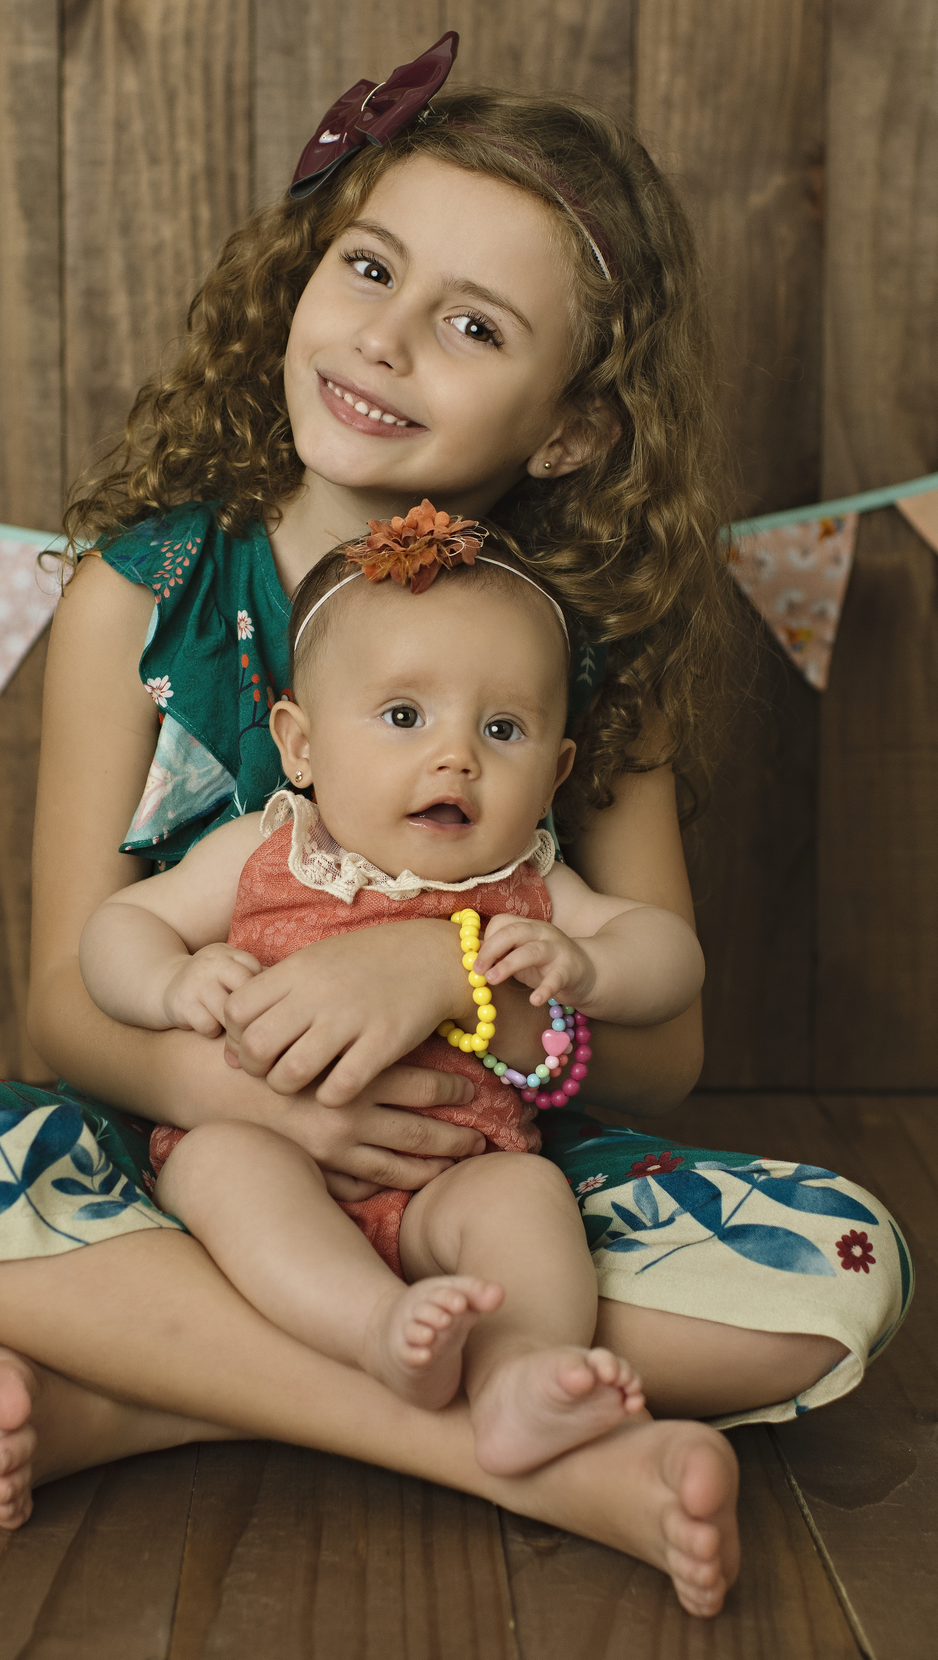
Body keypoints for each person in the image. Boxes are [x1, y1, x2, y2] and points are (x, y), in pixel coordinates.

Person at [0, 38, 911, 1619]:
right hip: (193, 1166)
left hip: (489, 1178)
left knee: (840, 1275)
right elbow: (63, 1000)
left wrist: (443, 972)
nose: (384, 339)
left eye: (470, 324)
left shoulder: (591, 648)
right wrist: (266, 1113)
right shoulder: (146, 590)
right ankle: (529, 1449)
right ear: (304, 273)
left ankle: (149, 1391)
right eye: (369, 267)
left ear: (575, 429)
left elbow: (666, 1051)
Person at [80, 523, 711, 1474]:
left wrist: (591, 969)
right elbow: (113, 931)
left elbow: (671, 956)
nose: (455, 758)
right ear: (299, 744)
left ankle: (521, 1377)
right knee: (219, 1168)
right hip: (274, 1161)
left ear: (556, 774)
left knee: (528, 1197)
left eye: (502, 731)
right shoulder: (269, 848)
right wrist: (172, 982)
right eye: (405, 717)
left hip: (450, 1184)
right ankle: (379, 1330)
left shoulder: (528, 883)